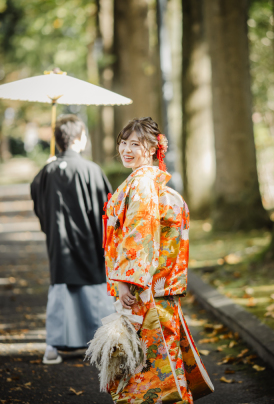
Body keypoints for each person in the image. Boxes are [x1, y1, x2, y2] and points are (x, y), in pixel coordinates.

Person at [104, 117, 214, 403]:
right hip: (162, 288)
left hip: (147, 290)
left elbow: (139, 234)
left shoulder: (141, 184)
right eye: (123, 143)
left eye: (135, 144)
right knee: (166, 363)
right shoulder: (156, 185)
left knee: (147, 372)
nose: (126, 149)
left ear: (152, 148)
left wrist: (126, 281)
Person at [31, 114, 114, 364]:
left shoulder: (47, 171)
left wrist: (48, 168)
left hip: (60, 244)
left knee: (60, 292)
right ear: (79, 138)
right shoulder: (91, 169)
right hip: (89, 242)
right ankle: (104, 345)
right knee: (96, 293)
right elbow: (107, 210)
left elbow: (38, 199)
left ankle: (53, 348)